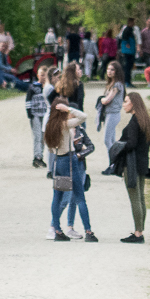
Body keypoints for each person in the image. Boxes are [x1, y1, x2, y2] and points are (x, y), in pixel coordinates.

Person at [44, 98, 98, 242]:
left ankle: (57, 230)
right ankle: (88, 231)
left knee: (57, 198)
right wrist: (68, 109)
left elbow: (50, 148)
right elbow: (83, 117)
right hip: (70, 160)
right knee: (80, 197)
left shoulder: (50, 126)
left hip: (58, 161)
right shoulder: (65, 124)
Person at [115, 92, 150, 243]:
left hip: (132, 164)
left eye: (126, 101)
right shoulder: (145, 120)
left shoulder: (134, 122)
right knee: (141, 197)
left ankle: (138, 233)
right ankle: (140, 230)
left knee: (135, 198)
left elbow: (131, 143)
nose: (123, 104)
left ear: (133, 103)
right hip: (142, 162)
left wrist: (119, 146)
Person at [100, 60, 125, 171]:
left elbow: (108, 100)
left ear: (117, 71)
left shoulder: (117, 85)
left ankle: (113, 164)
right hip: (109, 114)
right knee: (112, 140)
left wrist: (102, 100)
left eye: (112, 70)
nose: (109, 71)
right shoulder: (112, 84)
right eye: (108, 69)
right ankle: (116, 164)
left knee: (107, 140)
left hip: (113, 114)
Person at [25, 72, 48, 168]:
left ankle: (40, 156)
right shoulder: (33, 87)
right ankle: (37, 157)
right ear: (38, 76)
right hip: (35, 115)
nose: (43, 77)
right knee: (37, 136)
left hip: (45, 115)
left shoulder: (49, 88)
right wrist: (29, 113)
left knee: (43, 137)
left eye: (45, 75)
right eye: (42, 75)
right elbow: (28, 100)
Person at [118, 17, 139, 86]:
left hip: (131, 51)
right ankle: (126, 81)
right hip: (128, 52)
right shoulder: (127, 30)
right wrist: (127, 45)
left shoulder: (131, 30)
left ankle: (128, 81)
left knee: (129, 67)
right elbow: (124, 39)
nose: (134, 23)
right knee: (127, 67)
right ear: (129, 22)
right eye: (132, 22)